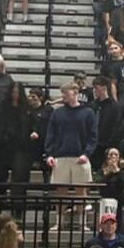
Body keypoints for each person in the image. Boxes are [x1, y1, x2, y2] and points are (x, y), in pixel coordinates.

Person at [44, 82, 97, 233]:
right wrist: (49, 154)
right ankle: (59, 222)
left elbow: (93, 136)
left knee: (82, 192)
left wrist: (87, 153)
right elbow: (50, 135)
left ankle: (82, 223)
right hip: (61, 156)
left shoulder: (88, 112)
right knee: (60, 192)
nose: (63, 97)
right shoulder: (57, 113)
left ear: (75, 92)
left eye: (65, 93)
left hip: (81, 156)